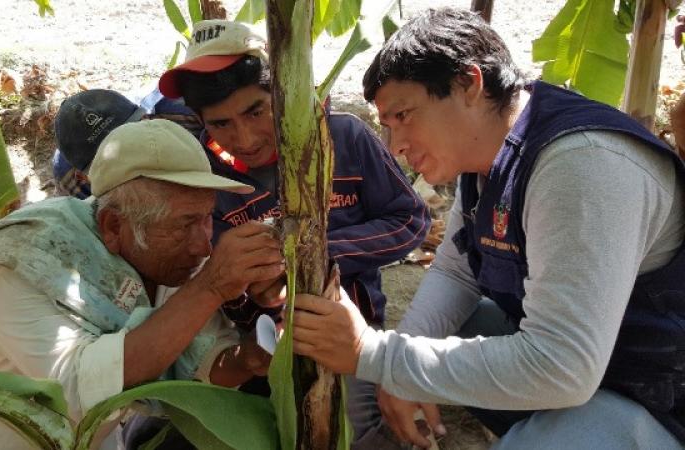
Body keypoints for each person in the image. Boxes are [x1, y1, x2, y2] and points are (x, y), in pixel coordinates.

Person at [290, 7, 685, 450]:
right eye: (387, 124)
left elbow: (563, 366)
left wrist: (376, 355)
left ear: (469, 83)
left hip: (659, 401)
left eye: (404, 116)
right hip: (604, 367)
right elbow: (455, 272)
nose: (395, 146)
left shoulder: (582, 163)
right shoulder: (487, 159)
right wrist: (397, 372)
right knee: (446, 329)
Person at [0, 119, 282, 449]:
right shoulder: (27, 263)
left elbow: (197, 361)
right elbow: (80, 389)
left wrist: (251, 357)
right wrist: (211, 286)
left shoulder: (168, 259)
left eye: (206, 219)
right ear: (113, 227)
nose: (203, 243)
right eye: (185, 225)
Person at [158, 19, 431, 332]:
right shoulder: (203, 180)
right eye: (221, 124)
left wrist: (312, 253)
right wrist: (253, 289)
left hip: (357, 336)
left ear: (282, 90)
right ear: (200, 120)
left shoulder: (343, 138)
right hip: (267, 351)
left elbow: (409, 219)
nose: (245, 140)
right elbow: (229, 299)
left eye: (255, 112)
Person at [52, 88, 201, 198]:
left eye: (137, 146)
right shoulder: (69, 180)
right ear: (84, 177)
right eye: (114, 165)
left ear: (148, 119)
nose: (133, 164)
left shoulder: (185, 114)